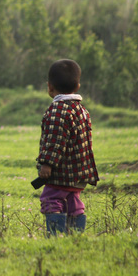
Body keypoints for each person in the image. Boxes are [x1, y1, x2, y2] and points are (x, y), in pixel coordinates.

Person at [37, 59, 99, 236]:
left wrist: (46, 164)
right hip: (79, 171)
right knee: (73, 201)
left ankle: (56, 237)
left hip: (61, 172)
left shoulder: (57, 110)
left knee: (51, 199)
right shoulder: (82, 110)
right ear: (77, 85)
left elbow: (54, 141)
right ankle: (75, 236)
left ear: (49, 87)